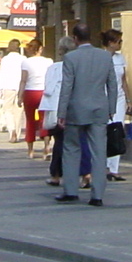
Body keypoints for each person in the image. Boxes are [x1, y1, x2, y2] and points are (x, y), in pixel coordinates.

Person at [56, 23, 118, 207]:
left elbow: (67, 86)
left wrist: (61, 112)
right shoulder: (105, 56)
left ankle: (71, 191)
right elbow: (112, 84)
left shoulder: (70, 58)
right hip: (100, 109)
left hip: (76, 109)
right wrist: (111, 107)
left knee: (71, 149)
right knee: (99, 152)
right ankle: (97, 195)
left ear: (75, 39)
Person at [40, 36, 89, 190]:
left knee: (60, 143)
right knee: (82, 142)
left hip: (57, 110)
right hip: (78, 108)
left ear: (61, 51)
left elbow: (48, 89)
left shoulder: (54, 68)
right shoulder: (82, 67)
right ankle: (86, 175)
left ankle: (56, 175)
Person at [101, 29, 129, 182]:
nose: (120, 44)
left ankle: (114, 168)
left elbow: (124, 80)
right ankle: (103, 165)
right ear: (111, 43)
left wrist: (129, 99)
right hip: (103, 98)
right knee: (104, 130)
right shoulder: (100, 57)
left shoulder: (120, 58)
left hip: (119, 98)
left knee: (117, 130)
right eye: (119, 41)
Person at [21, 38, 50, 158]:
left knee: (30, 121)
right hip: (44, 92)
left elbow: (23, 80)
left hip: (30, 92)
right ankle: (46, 148)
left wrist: (19, 96)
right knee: (45, 121)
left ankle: (30, 150)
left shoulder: (26, 62)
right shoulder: (49, 61)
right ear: (40, 49)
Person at [0, 38, 26, 144]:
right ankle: (17, 134)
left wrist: (0, 89)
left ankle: (12, 130)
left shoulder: (5, 59)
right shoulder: (23, 59)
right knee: (18, 111)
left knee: (7, 110)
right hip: (20, 87)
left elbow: (2, 74)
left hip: (7, 86)